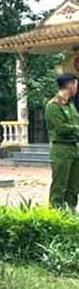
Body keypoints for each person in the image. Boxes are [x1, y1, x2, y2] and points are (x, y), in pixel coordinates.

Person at [45, 73, 79, 209]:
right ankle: (55, 214)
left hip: (74, 149)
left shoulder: (70, 105)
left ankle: (70, 213)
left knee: (74, 186)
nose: (77, 88)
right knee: (59, 185)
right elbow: (60, 128)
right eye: (76, 85)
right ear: (70, 85)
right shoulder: (53, 106)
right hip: (61, 149)